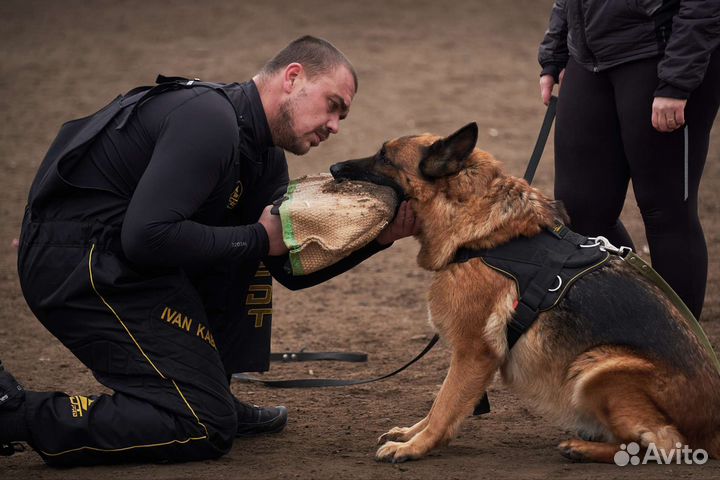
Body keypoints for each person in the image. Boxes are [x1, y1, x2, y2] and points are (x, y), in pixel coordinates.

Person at [0, 36, 417, 466]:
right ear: (293, 78)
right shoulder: (208, 118)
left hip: (122, 260)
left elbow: (286, 266)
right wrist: (259, 238)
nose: (335, 126)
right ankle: (16, 411)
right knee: (203, 423)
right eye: (333, 105)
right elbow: (146, 237)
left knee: (243, 248)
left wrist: (380, 239)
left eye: (343, 116)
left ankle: (211, 388)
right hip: (79, 264)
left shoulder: (263, 154)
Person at [538, 1, 720, 319]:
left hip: (661, 47)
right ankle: (636, 321)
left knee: (666, 210)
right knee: (580, 210)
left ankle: (680, 351)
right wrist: (555, 50)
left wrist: (677, 79)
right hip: (589, 52)